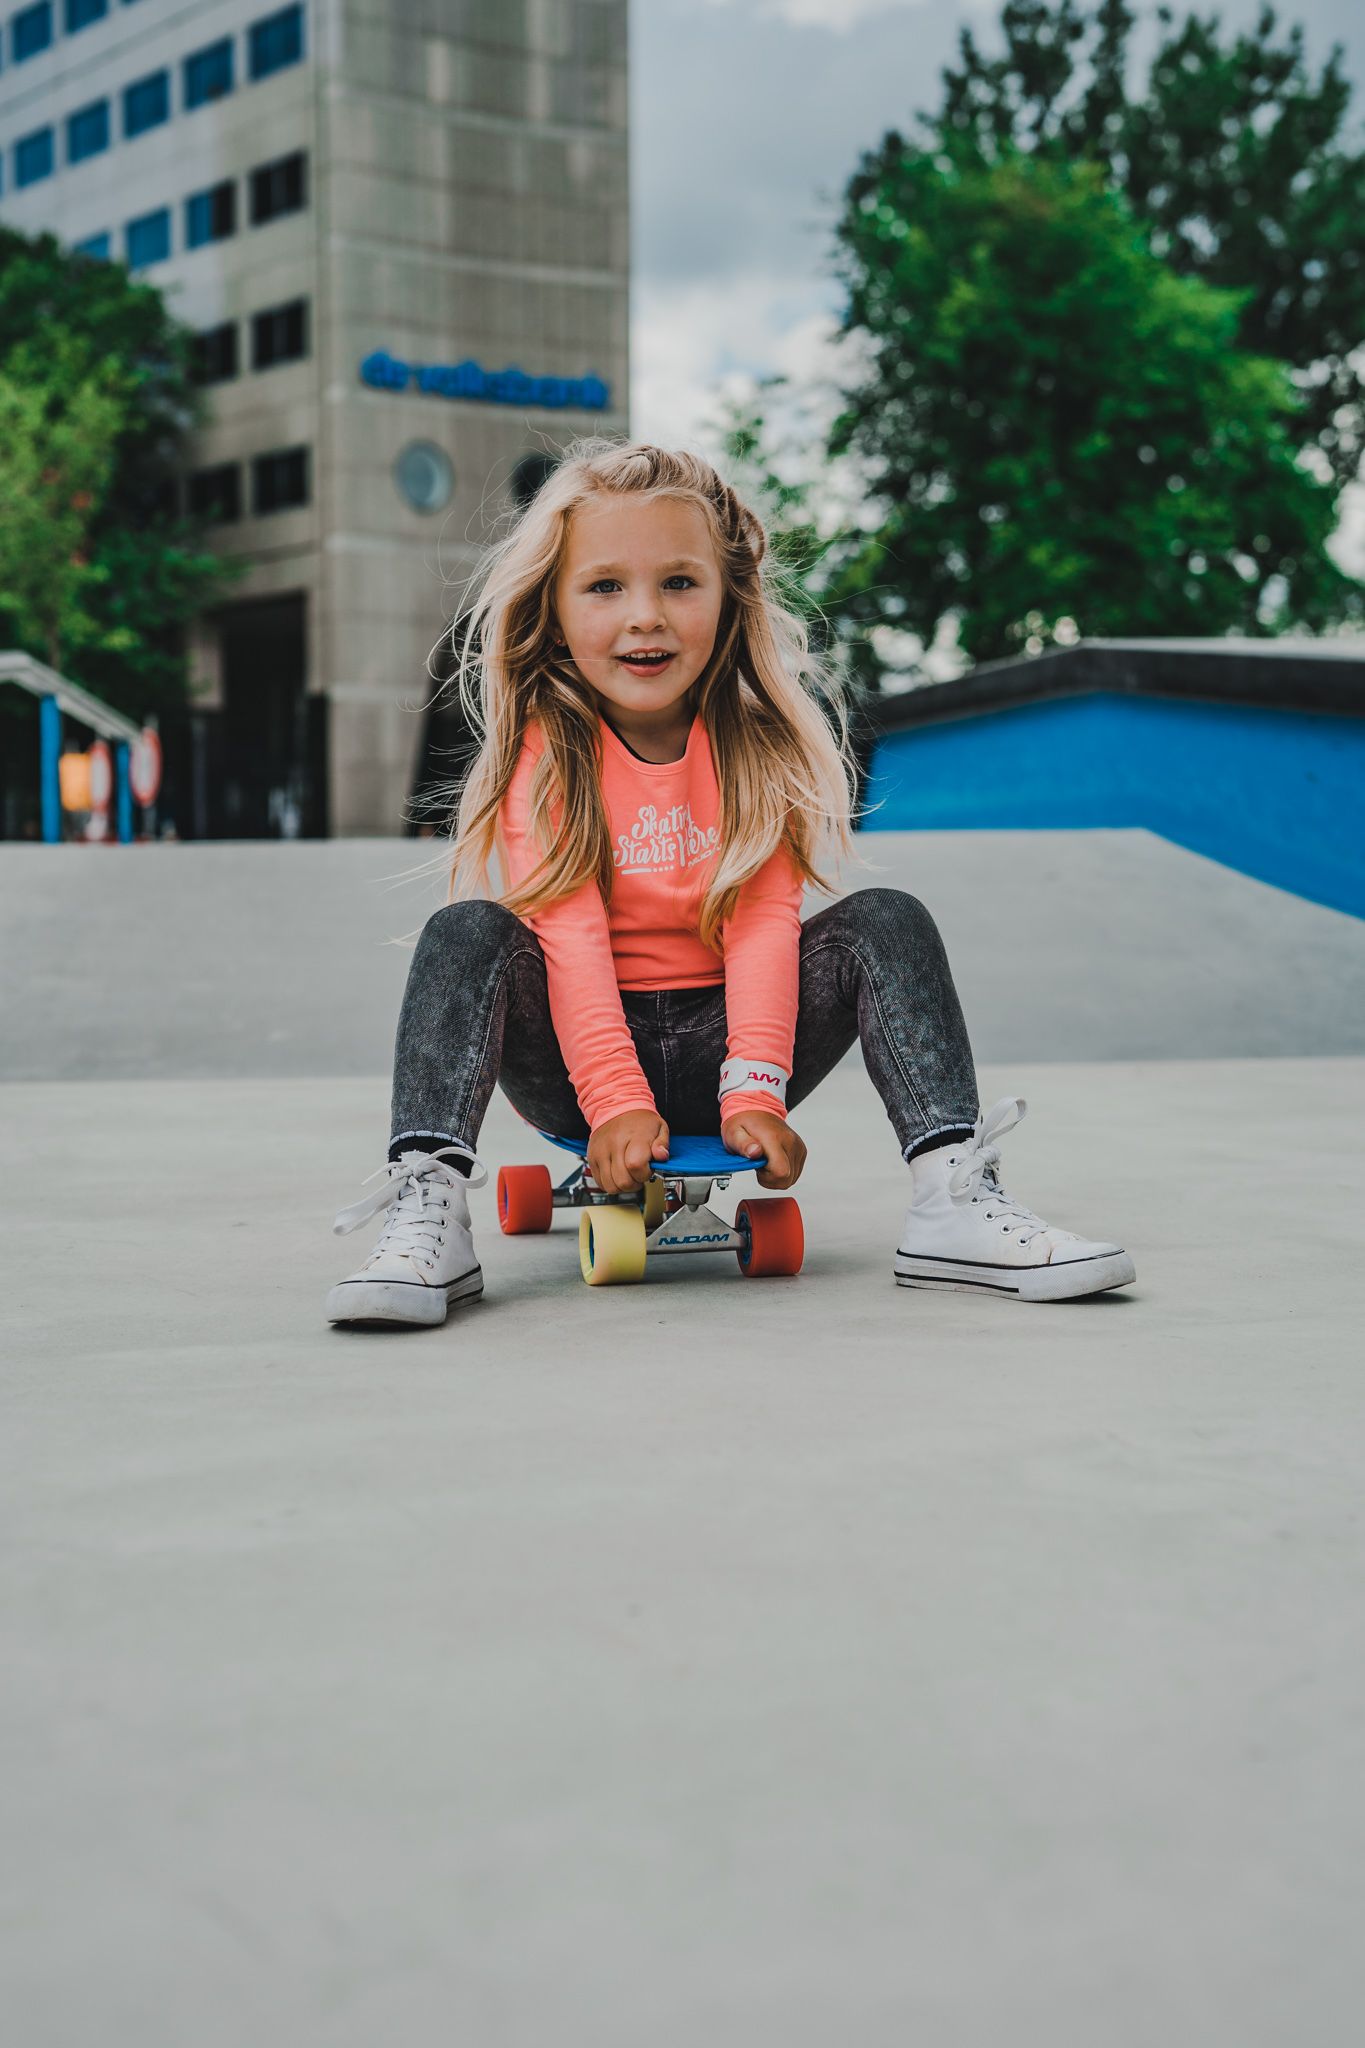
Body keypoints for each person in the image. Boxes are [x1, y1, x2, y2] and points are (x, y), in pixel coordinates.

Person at [326, 440, 1135, 1327]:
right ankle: (428, 1209)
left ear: (728, 596)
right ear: (552, 612)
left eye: (679, 582)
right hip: (573, 1053)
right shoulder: (547, 755)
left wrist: (752, 1091)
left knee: (885, 921)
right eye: (604, 587)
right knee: (468, 929)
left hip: (733, 1039)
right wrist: (616, 1103)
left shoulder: (756, 748)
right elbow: (572, 939)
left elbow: (761, 927)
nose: (646, 618)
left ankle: (949, 1200)